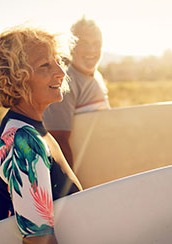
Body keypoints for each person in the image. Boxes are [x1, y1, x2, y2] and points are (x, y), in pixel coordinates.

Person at [0, 25, 83, 244]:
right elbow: (38, 240)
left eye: (58, 60)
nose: (60, 72)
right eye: (45, 65)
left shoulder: (32, 130)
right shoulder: (24, 141)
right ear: (16, 79)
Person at [43, 17, 110, 169]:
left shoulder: (97, 76)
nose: (92, 50)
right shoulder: (64, 83)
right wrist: (73, 189)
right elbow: (58, 141)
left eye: (96, 44)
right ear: (71, 46)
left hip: (102, 169)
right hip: (83, 178)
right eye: (84, 43)